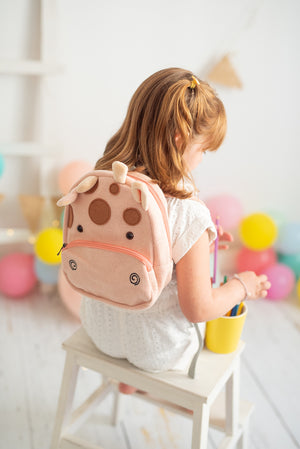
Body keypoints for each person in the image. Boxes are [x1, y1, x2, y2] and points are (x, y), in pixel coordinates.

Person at [80, 68, 270, 392]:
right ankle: (151, 383)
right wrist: (243, 285)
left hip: (101, 331)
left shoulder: (102, 180)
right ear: (180, 140)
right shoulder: (187, 210)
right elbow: (198, 309)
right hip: (158, 351)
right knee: (217, 325)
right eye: (203, 150)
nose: (201, 159)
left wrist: (199, 245)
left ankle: (131, 379)